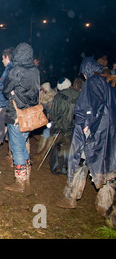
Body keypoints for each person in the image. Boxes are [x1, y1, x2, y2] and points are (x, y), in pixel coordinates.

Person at [56, 57, 116, 217]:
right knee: (107, 165)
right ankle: (104, 205)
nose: (84, 77)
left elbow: (90, 106)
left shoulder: (94, 81)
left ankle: (70, 197)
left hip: (94, 131)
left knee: (81, 159)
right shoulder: (110, 82)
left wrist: (87, 123)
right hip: (109, 132)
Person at [3, 42, 40, 192]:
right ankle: (27, 177)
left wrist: (12, 93)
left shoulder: (16, 70)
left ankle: (20, 182)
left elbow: (6, 90)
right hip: (30, 115)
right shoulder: (35, 70)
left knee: (17, 147)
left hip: (17, 114)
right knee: (23, 145)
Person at [47, 77, 79, 175]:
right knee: (71, 147)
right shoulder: (79, 94)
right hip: (75, 127)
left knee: (59, 146)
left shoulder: (59, 97)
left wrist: (53, 124)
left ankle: (58, 167)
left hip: (62, 126)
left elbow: (53, 114)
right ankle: (70, 167)